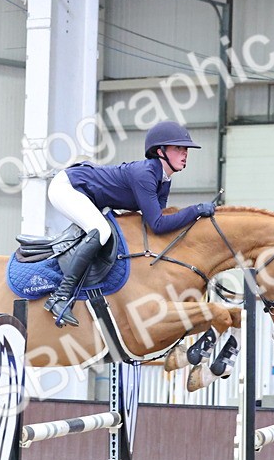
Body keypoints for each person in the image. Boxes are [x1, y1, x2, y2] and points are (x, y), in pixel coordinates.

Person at [43, 120, 217, 326]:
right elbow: (158, 224)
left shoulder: (163, 180)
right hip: (68, 187)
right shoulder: (145, 175)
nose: (185, 153)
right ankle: (60, 297)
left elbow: (158, 226)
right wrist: (195, 210)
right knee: (101, 231)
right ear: (160, 151)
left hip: (89, 195)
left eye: (185, 149)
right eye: (178, 148)